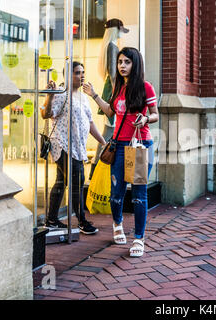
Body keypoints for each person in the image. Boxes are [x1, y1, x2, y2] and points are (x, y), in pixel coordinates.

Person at [83, 47, 158, 257]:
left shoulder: (146, 88)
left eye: (127, 62)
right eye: (120, 62)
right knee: (116, 194)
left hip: (139, 146)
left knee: (139, 196)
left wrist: (145, 119)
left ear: (135, 64)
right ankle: (118, 224)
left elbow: (155, 115)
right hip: (118, 146)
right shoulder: (117, 87)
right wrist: (95, 95)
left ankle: (139, 238)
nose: (122, 66)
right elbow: (112, 112)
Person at [41, 61, 107, 234]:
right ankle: (82, 221)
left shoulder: (84, 98)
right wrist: (49, 96)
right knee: (77, 181)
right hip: (62, 145)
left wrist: (103, 142)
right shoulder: (61, 94)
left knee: (60, 182)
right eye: (77, 72)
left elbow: (90, 123)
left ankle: (52, 219)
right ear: (68, 75)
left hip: (77, 147)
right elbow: (46, 114)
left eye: (83, 72)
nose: (82, 75)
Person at [89, 18, 129, 179]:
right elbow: (113, 74)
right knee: (109, 131)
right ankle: (97, 167)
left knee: (109, 131)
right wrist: (118, 94)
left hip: (111, 90)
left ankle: (97, 168)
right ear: (115, 30)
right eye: (120, 30)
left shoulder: (108, 46)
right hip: (113, 91)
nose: (121, 33)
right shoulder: (112, 47)